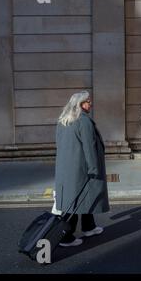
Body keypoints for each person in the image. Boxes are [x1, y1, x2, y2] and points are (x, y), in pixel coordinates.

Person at [54, 91, 110, 247]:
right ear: (79, 104)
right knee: (74, 202)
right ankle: (66, 237)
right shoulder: (83, 121)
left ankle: (89, 227)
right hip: (81, 168)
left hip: (67, 167)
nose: (90, 103)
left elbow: (59, 145)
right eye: (87, 101)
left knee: (85, 196)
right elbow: (89, 148)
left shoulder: (63, 121)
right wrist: (93, 168)